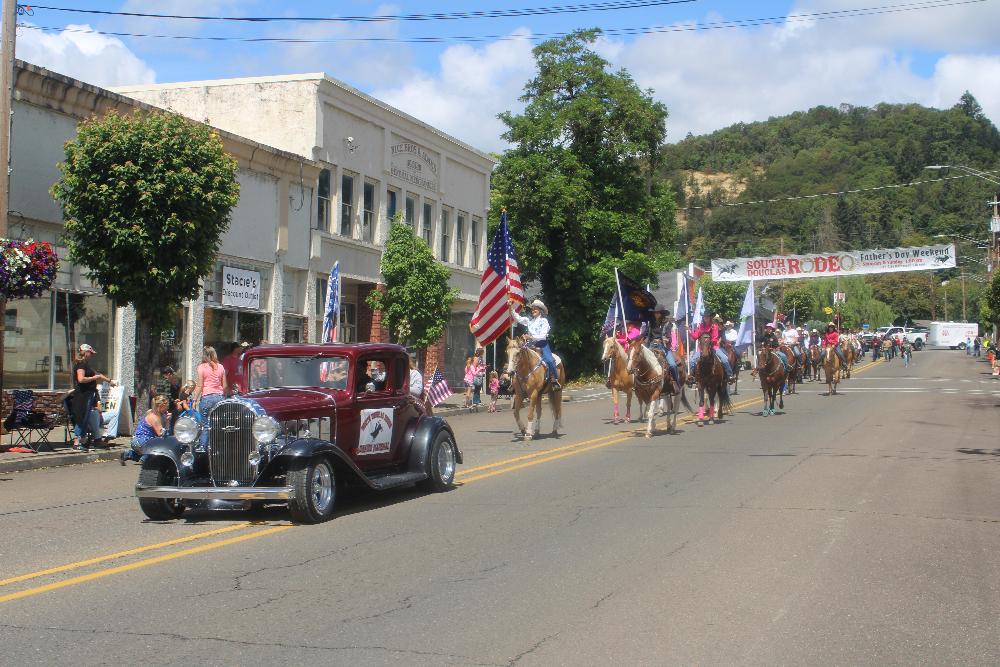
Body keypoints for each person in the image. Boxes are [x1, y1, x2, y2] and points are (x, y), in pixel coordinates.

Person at [509, 297, 561, 389]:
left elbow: (543, 336)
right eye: (533, 309)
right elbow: (518, 318)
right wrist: (511, 307)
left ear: (540, 310)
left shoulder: (544, 321)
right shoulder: (529, 321)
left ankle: (554, 380)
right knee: (517, 356)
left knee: (549, 360)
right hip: (529, 344)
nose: (533, 310)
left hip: (542, 344)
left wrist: (531, 337)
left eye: (535, 309)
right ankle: (514, 382)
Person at [71, 343, 113, 451]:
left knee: (85, 418)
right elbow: (81, 379)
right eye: (91, 353)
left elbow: (97, 374)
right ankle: (78, 441)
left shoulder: (86, 365)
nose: (92, 355)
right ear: (86, 352)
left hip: (88, 395)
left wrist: (109, 381)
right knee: (82, 418)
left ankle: (82, 441)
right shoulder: (81, 365)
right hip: (82, 396)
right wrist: (94, 377)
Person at [121, 394, 171, 464]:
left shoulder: (151, 412)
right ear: (161, 406)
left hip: (136, 440)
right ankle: (144, 460)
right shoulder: (155, 417)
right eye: (167, 406)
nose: (167, 408)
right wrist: (168, 422)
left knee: (146, 451)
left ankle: (127, 454)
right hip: (143, 441)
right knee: (159, 447)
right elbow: (161, 433)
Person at [688, 313, 735, 384]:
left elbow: (715, 338)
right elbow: (695, 337)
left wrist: (708, 342)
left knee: (724, 359)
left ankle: (730, 375)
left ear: (710, 318)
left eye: (707, 316)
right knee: (692, 361)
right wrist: (689, 331)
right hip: (701, 348)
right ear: (703, 318)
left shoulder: (714, 326)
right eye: (704, 317)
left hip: (713, 347)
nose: (705, 318)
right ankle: (692, 376)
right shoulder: (700, 326)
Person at [193, 346, 227, 435]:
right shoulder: (221, 367)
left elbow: (200, 385)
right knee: (220, 426)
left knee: (205, 426)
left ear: (204, 356)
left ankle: (204, 448)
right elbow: (225, 386)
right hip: (220, 398)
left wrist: (194, 400)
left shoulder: (202, 367)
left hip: (207, 398)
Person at [647, 305, 679, 386]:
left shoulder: (668, 323)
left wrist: (667, 339)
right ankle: (639, 383)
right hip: (651, 346)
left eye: (658, 313)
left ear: (662, 314)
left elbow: (669, 336)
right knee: (641, 360)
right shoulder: (651, 323)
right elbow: (647, 335)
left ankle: (676, 383)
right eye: (655, 313)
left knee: (672, 365)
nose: (656, 314)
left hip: (663, 346)